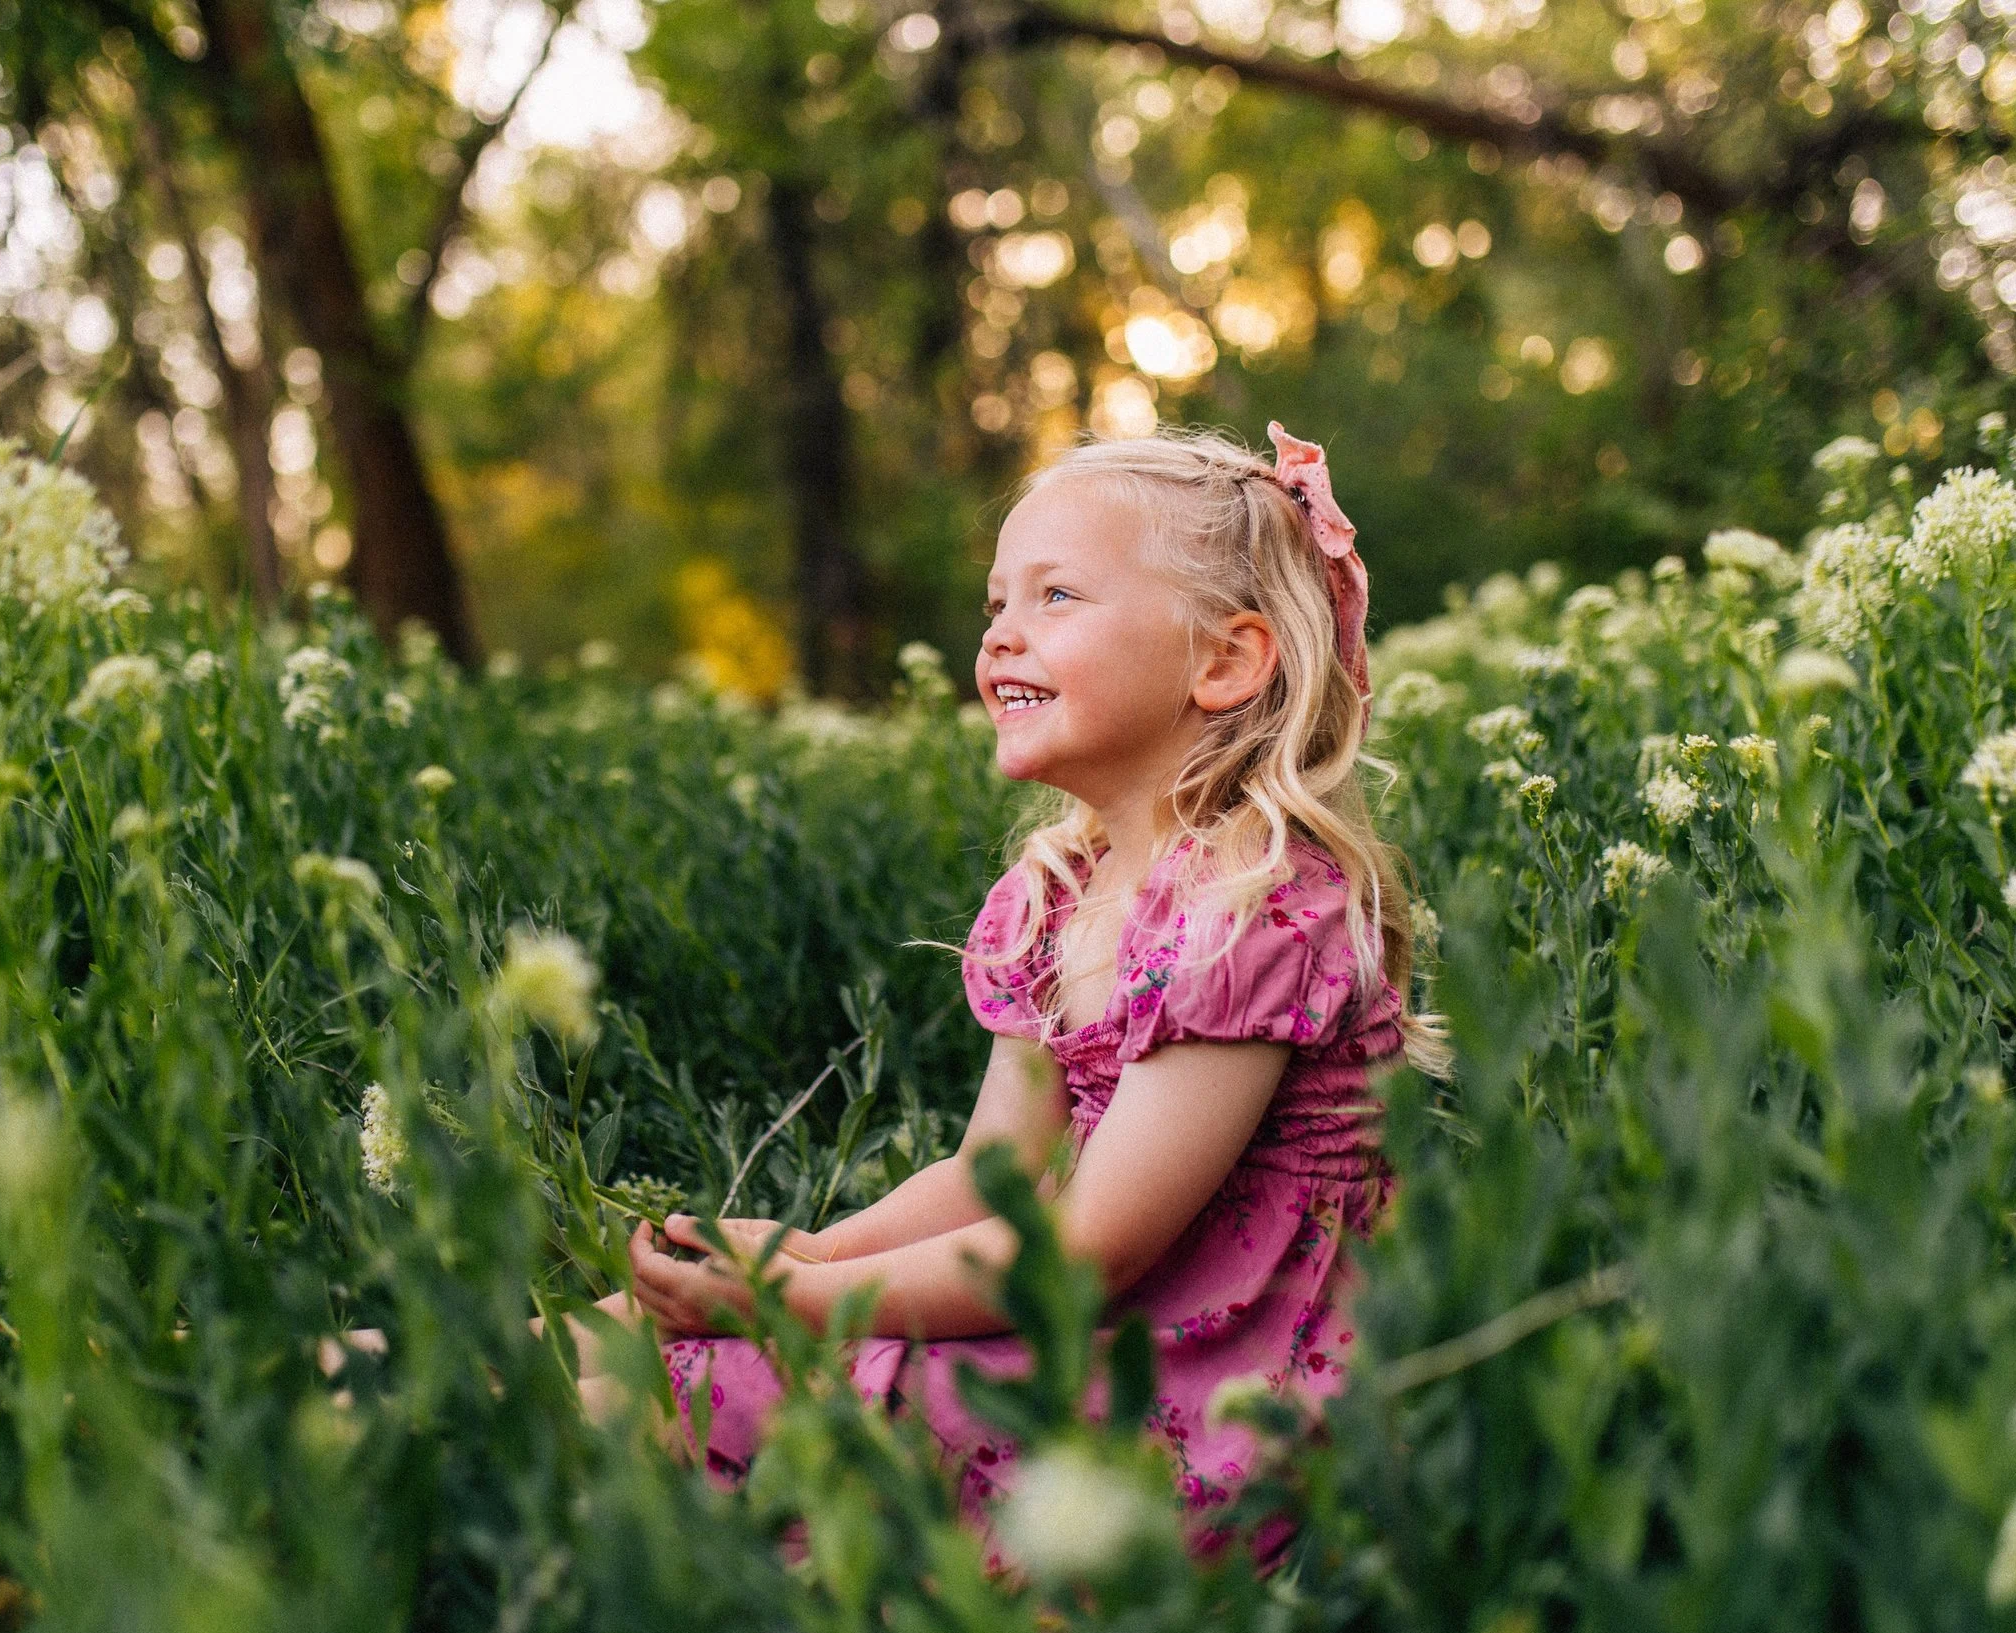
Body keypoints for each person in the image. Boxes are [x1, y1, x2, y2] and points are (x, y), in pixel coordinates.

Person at [572, 422, 1448, 1554]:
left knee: (666, 1381)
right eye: (996, 605)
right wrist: (806, 1254)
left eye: (1056, 598)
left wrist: (791, 1305)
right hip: (1077, 1327)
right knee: (605, 1343)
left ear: (1224, 663)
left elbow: (1092, 1248)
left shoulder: (1258, 906)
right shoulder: (1060, 891)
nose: (1000, 638)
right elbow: (995, 1173)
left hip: (1198, 1399)